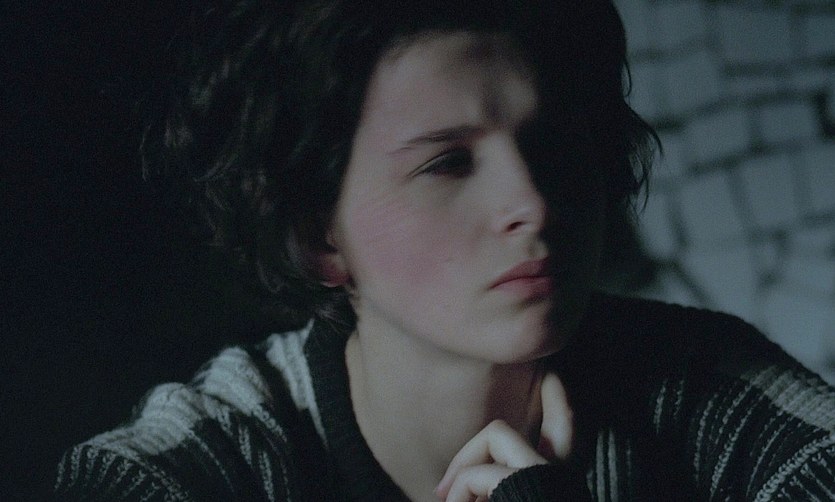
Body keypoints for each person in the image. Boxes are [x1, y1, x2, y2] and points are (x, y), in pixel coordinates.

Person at [53, 0, 835, 500]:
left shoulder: (707, 396)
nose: (531, 202)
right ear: (317, 236)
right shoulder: (198, 464)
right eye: (446, 164)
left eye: (551, 142)